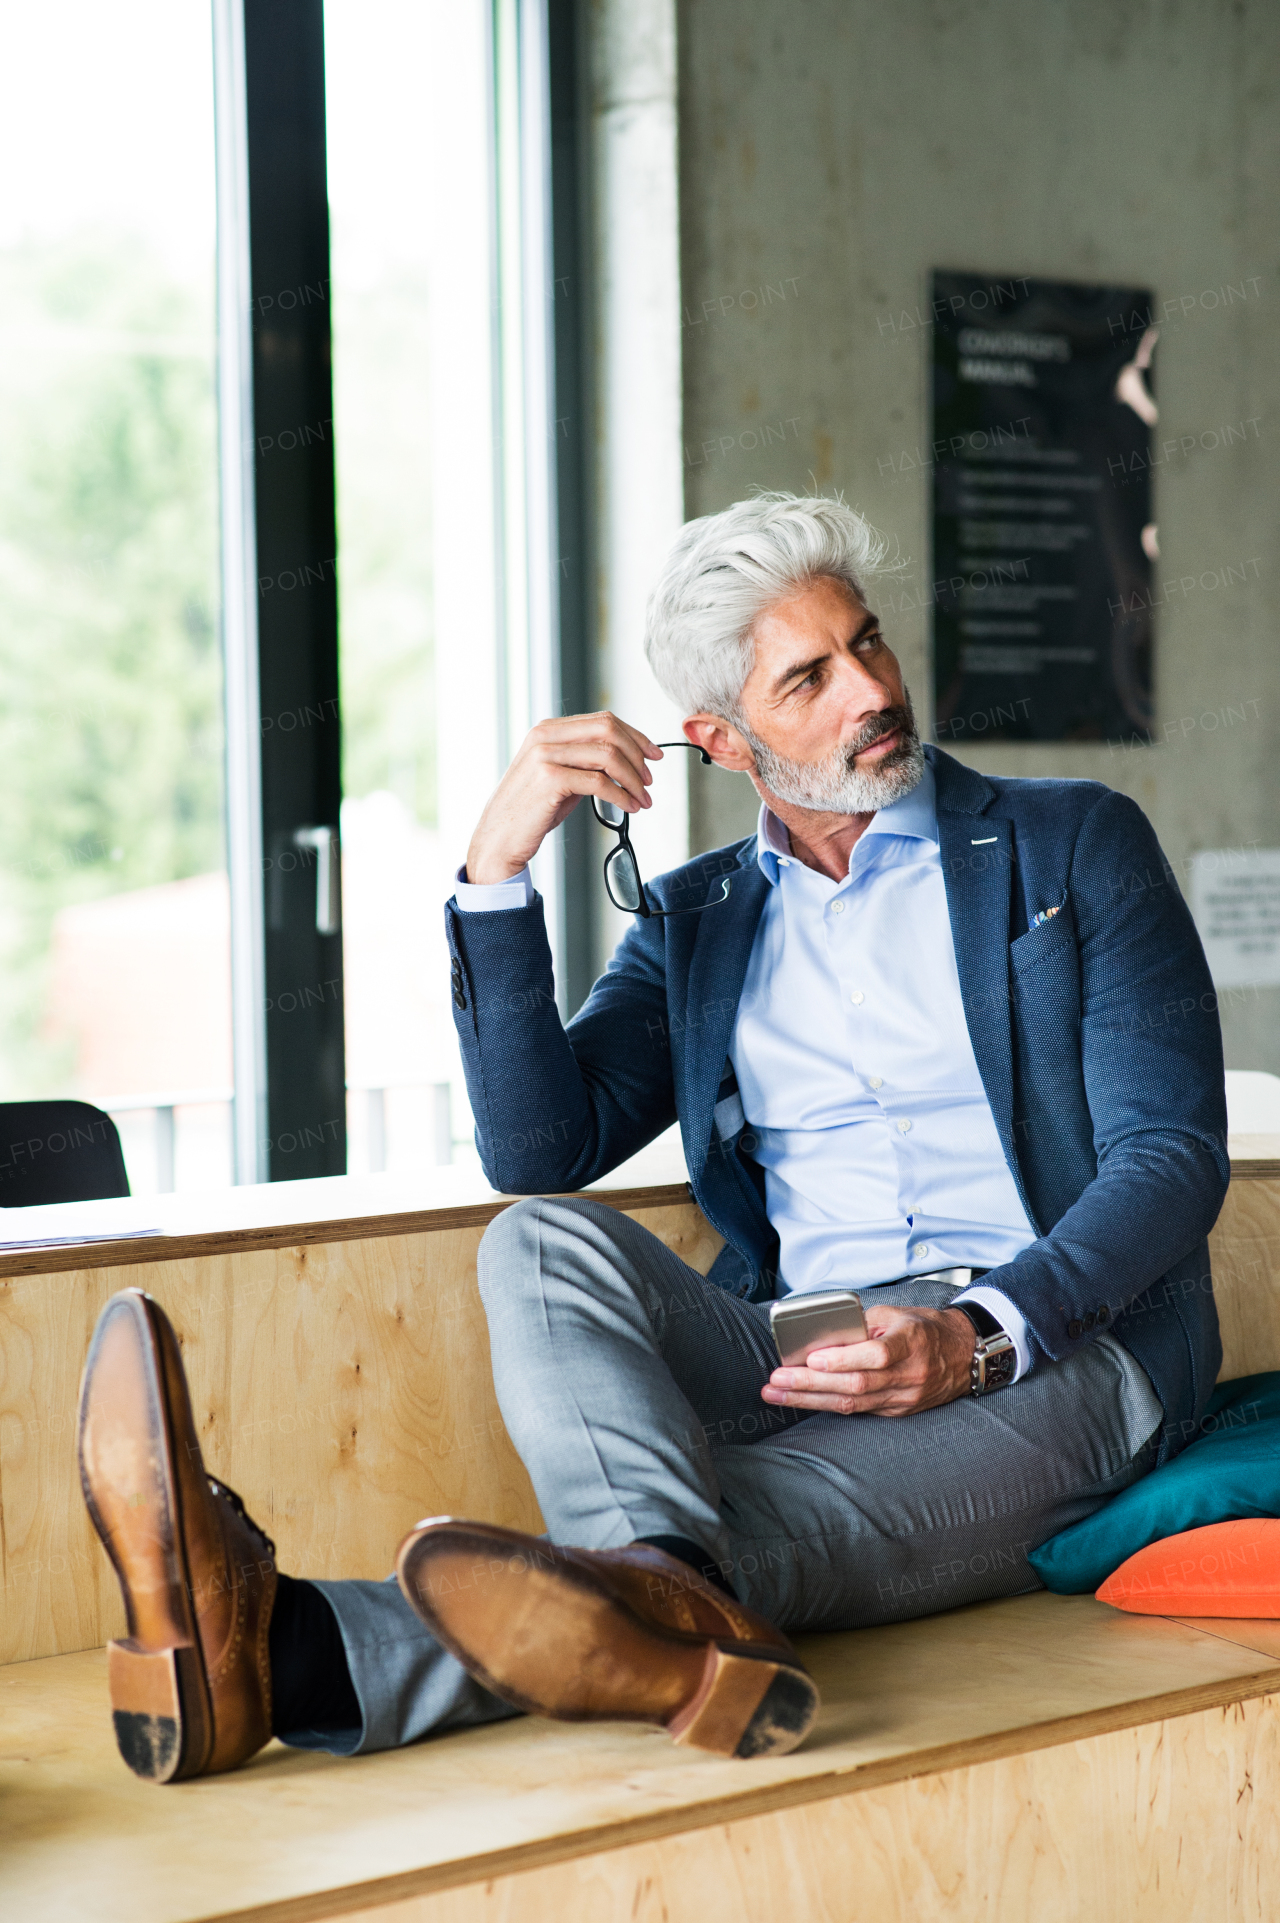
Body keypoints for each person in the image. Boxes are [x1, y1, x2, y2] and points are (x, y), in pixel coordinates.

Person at [78, 492, 1228, 1785]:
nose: (870, 691)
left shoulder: (1067, 845)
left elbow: (1171, 1156)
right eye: (809, 677)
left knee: (727, 1526)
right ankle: (661, 1593)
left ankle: (291, 1650)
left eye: (870, 643)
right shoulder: (702, 920)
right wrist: (497, 867)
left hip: (1057, 1352)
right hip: (803, 1341)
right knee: (542, 1244)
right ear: (719, 740)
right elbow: (539, 1145)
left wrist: (976, 1337)